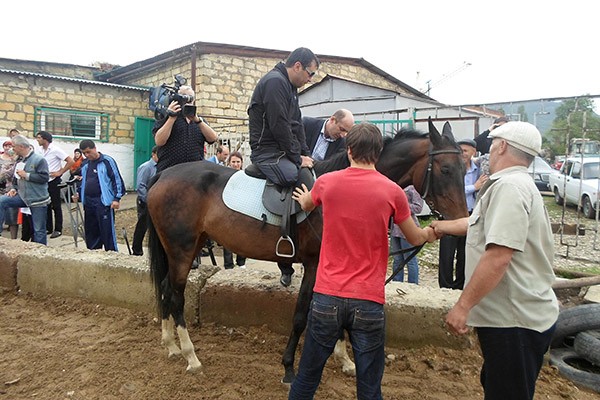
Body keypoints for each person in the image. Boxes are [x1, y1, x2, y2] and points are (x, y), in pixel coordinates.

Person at [288, 123, 438, 399]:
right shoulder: (393, 192)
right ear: (378, 153)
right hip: (368, 301)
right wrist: (432, 232)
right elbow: (415, 238)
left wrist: (303, 197)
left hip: (327, 297)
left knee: (307, 378)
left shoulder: (327, 182)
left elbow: (309, 204)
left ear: (349, 150)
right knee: (369, 388)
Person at [431, 121, 559, 400]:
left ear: (501, 146)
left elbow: (499, 256)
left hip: (513, 322)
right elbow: (477, 223)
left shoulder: (509, 188)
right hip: (515, 318)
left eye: (492, 144)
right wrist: (438, 228)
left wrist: (462, 307)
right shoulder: (515, 184)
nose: (488, 151)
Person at [248, 47, 319, 287]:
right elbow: (279, 126)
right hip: (266, 151)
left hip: (280, 149)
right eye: (310, 74)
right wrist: (297, 159)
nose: (310, 80)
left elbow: (296, 124)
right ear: (297, 66)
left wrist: (306, 154)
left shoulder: (291, 88)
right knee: (294, 175)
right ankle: (285, 254)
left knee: (309, 173)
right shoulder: (275, 82)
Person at [438, 138, 488, 290]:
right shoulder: (452, 168)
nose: (462, 154)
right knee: (446, 254)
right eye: (460, 150)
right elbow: (450, 189)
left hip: (470, 214)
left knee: (465, 253)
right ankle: (445, 286)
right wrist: (474, 186)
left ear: (474, 152)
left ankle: (460, 285)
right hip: (451, 215)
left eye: (466, 151)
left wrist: (479, 187)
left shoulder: (479, 170)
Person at [73, 139, 125, 252]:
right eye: (84, 153)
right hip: (88, 202)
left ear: (94, 148)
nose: (87, 155)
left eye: (88, 152)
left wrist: (117, 198)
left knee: (107, 232)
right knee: (91, 231)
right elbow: (85, 181)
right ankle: (93, 254)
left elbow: (117, 179)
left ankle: (111, 255)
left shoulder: (107, 161)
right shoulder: (85, 164)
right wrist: (79, 193)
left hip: (103, 201)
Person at [152, 85, 218, 173]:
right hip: (169, 173)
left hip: (194, 175)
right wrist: (171, 118)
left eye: (190, 100)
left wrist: (198, 121)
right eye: (184, 98)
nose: (187, 103)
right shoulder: (165, 117)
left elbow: (213, 138)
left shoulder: (199, 121)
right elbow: (159, 141)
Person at [0, 135, 50, 245]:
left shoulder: (39, 159)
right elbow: (15, 178)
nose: (12, 149)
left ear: (21, 146)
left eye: (14, 147)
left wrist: (27, 175)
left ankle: (41, 253)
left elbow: (45, 178)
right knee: (2, 201)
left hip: (37, 199)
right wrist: (14, 188)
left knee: (39, 230)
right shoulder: (19, 160)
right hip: (22, 196)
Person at [35, 131, 74, 239]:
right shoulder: (39, 150)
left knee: (56, 205)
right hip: (43, 180)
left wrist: (60, 172)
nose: (37, 140)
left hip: (54, 180)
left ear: (45, 139)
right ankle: (48, 227)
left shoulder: (55, 150)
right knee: (46, 204)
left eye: (39, 138)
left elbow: (70, 161)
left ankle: (58, 229)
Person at [390, 185, 423, 284]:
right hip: (395, 228)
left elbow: (418, 208)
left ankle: (413, 284)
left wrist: (402, 205)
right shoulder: (396, 186)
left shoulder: (414, 188)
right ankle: (397, 282)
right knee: (397, 259)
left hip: (409, 228)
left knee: (410, 259)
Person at [131, 146, 158, 256]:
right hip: (146, 201)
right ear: (153, 154)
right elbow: (141, 186)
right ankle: (137, 249)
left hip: (156, 202)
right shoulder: (146, 167)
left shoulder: (161, 167)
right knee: (142, 226)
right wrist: (147, 200)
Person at [222, 151, 247, 269]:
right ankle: (228, 264)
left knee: (242, 237)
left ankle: (241, 262)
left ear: (241, 163)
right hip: (227, 211)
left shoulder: (246, 176)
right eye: (233, 162)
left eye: (238, 162)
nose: (235, 164)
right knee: (226, 239)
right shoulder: (223, 176)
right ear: (229, 163)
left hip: (242, 211)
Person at [0, 140, 19, 239]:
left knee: (12, 215)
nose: (7, 148)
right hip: (0, 188)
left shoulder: (16, 160)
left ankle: (13, 239)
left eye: (9, 146)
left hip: (11, 189)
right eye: (5, 146)